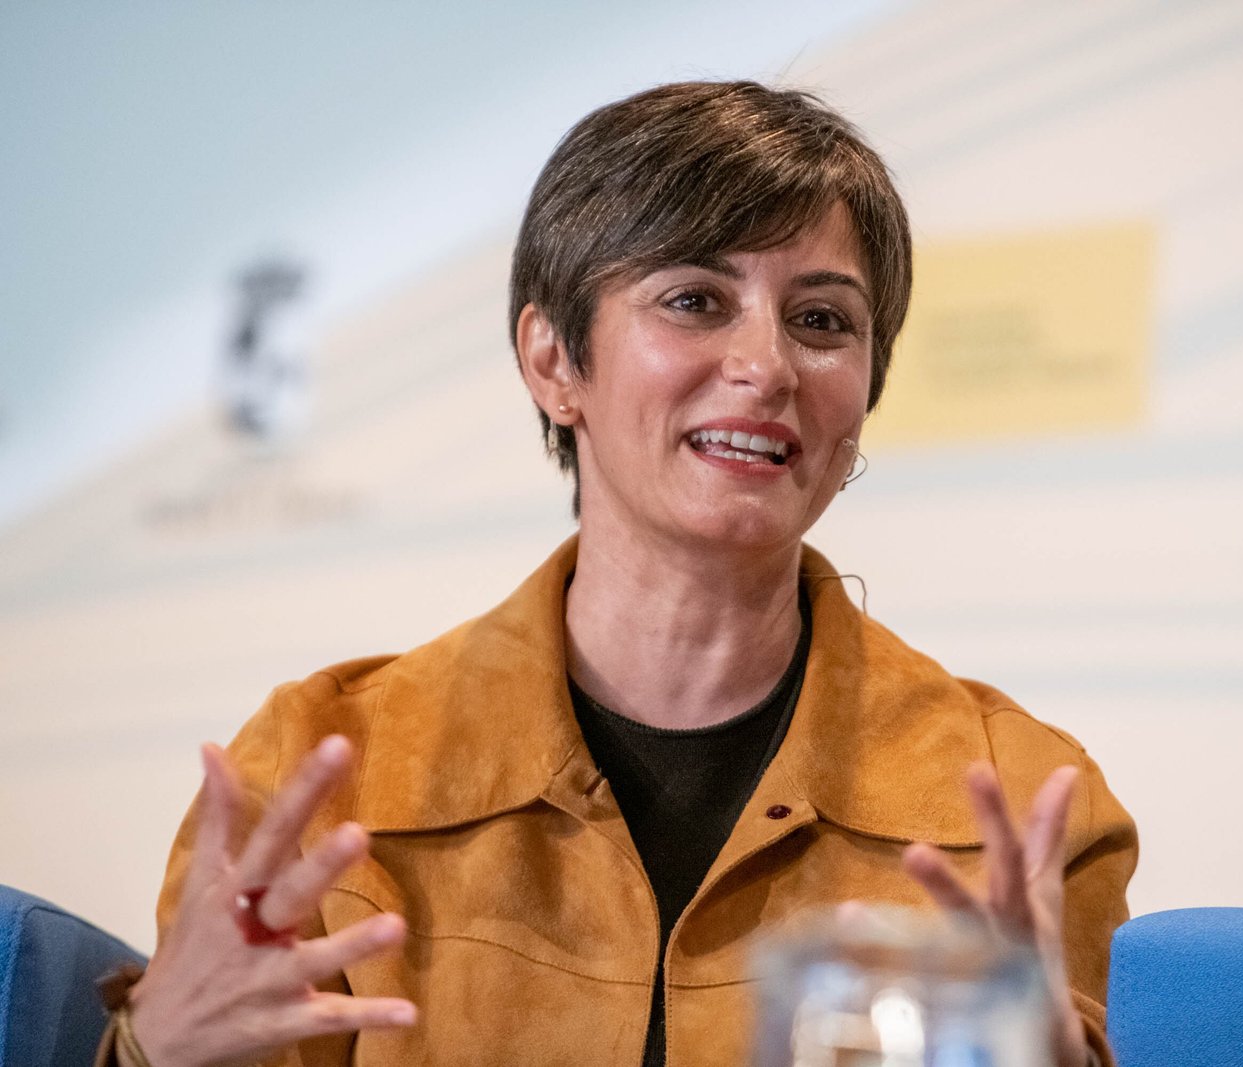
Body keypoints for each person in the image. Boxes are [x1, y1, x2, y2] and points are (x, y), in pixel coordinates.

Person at [100, 81, 1137, 1067]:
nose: (767, 366)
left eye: (822, 319)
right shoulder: (317, 774)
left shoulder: (1023, 800)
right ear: (554, 360)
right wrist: (155, 1050)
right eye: (694, 300)